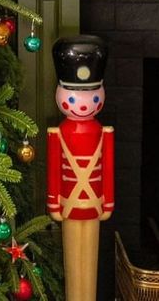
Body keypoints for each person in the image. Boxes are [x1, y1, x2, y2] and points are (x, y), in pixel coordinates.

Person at [47, 35, 114, 301]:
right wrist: (54, 203)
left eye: (90, 96)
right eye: (75, 98)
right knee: (74, 258)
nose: (84, 104)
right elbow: (54, 170)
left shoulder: (103, 132)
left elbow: (106, 169)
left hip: (94, 204)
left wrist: (108, 203)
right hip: (70, 203)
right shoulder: (58, 133)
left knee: (90, 259)